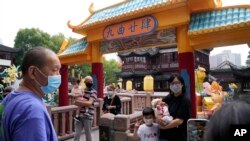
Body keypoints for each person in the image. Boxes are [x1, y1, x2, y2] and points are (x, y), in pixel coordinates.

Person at [0, 47, 60, 141]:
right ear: (33, 72)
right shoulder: (32, 110)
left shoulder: (10, 98)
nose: (58, 76)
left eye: (59, 71)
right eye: (54, 70)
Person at [158, 74, 191, 141]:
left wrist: (163, 127)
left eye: (176, 83)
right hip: (166, 135)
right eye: (172, 83)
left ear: (182, 84)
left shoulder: (185, 100)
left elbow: (179, 121)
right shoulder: (171, 96)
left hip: (178, 135)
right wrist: (160, 115)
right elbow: (161, 102)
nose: (174, 85)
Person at [74, 76, 97, 141]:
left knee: (88, 134)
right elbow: (75, 101)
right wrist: (80, 102)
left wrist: (79, 102)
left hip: (88, 116)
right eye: (88, 81)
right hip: (79, 116)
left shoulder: (93, 92)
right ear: (85, 82)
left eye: (91, 81)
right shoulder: (82, 91)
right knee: (76, 134)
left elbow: (89, 103)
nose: (90, 82)